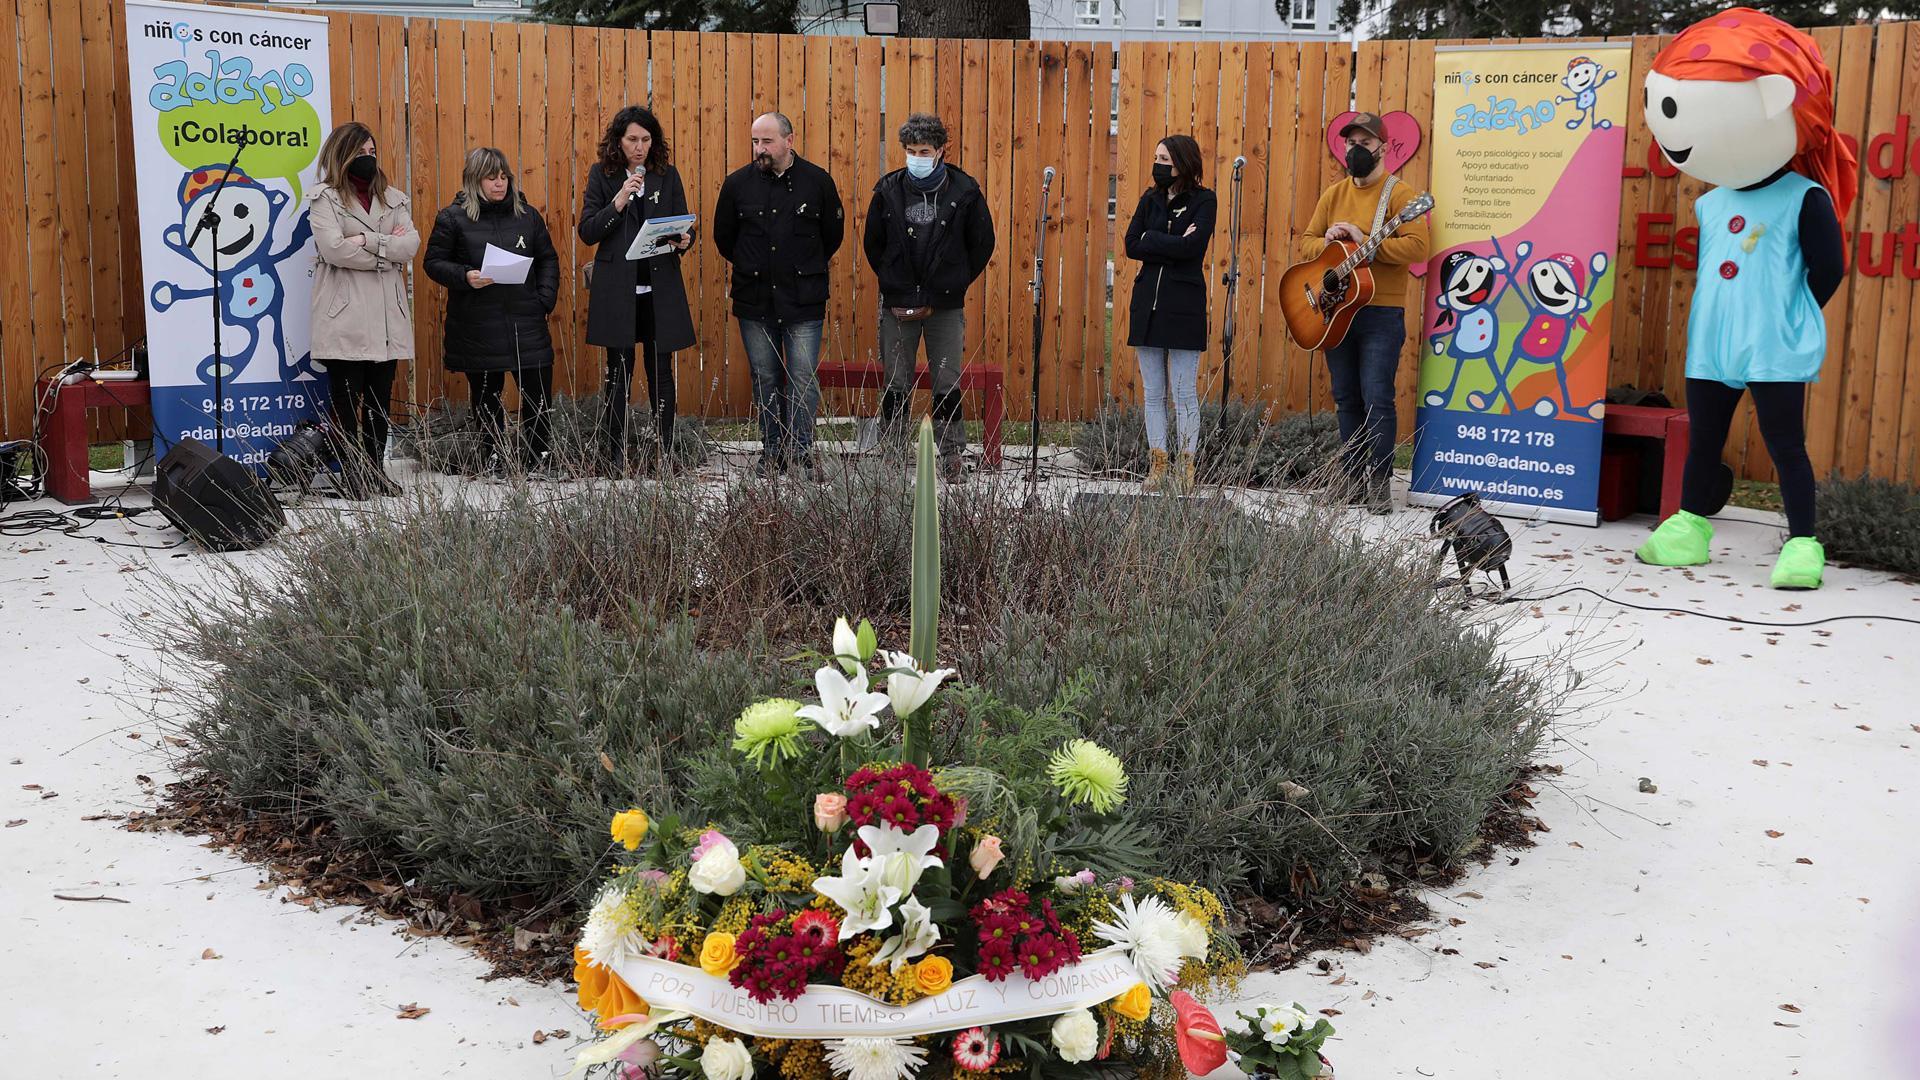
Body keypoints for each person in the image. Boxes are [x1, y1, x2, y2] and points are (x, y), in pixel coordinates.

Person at [1634, 8, 1854, 589]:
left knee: (1786, 445)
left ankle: (1803, 542)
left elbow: (1828, 269)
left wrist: (1788, 313)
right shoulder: (1710, 203)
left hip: (1771, 341)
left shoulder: (1805, 197)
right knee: (1704, 438)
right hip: (1713, 339)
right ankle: (1688, 526)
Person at [1296, 111, 1430, 513]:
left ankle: (1379, 483)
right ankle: (1352, 480)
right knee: (1346, 398)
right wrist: (1330, 243)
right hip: (1337, 312)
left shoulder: (1400, 195)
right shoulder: (1334, 194)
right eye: (1351, 144)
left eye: (1365, 144)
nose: (1357, 151)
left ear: (1383, 149)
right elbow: (1306, 242)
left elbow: (1418, 247)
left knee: (1377, 398)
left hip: (1380, 314)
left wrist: (1366, 242)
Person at [863, 113, 995, 482]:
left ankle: (952, 454)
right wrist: (894, 281)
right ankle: (891, 453)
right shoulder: (888, 190)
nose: (916, 157)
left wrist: (953, 282)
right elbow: (873, 244)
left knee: (946, 380)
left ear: (940, 151)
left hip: (944, 305)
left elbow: (982, 243)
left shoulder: (964, 192)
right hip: (898, 302)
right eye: (909, 150)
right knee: (895, 382)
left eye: (923, 150)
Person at [714, 113, 845, 480]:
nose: (760, 149)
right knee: (765, 377)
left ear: (790, 140)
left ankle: (801, 452)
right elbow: (724, 237)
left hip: (803, 299)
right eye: (755, 142)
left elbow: (831, 235)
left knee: (802, 377)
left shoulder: (817, 182)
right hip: (755, 299)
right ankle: (772, 452)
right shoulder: (738, 184)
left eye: (767, 142)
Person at [423, 147, 562, 475]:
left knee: (537, 397)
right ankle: (493, 460)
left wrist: (543, 298)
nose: (499, 184)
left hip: (525, 319)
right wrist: (465, 276)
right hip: (478, 324)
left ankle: (537, 460)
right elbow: (433, 263)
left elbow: (548, 258)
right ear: (475, 180)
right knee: (486, 398)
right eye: (491, 178)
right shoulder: (452, 218)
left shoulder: (526, 215)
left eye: (504, 177)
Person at [578, 105, 696, 476]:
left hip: (659, 287)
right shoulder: (603, 175)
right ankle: (615, 456)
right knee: (619, 373)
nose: (640, 147)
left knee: (661, 371)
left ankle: (665, 453)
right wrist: (618, 201)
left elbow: (683, 222)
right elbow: (588, 230)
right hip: (619, 290)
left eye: (646, 139)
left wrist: (684, 239)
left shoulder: (667, 175)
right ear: (619, 141)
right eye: (632, 139)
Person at [308, 121, 419, 498]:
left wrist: (369, 240)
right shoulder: (325, 199)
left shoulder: (395, 198)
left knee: (378, 402)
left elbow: (411, 247)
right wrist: (387, 252)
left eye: (372, 152)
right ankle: (352, 473)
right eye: (360, 153)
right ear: (343, 155)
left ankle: (375, 471)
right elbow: (333, 249)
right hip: (345, 316)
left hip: (387, 317)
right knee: (345, 402)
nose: (368, 159)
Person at [1123, 135, 1217, 495]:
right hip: (1147, 305)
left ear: (1182, 161)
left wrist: (1155, 240)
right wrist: (1171, 242)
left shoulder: (1204, 200)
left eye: (1165, 158)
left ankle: (1186, 466)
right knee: (1153, 393)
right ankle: (1158, 464)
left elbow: (1193, 248)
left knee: (1183, 392)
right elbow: (1132, 245)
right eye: (1156, 156)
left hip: (1184, 307)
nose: (1158, 163)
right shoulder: (1151, 199)